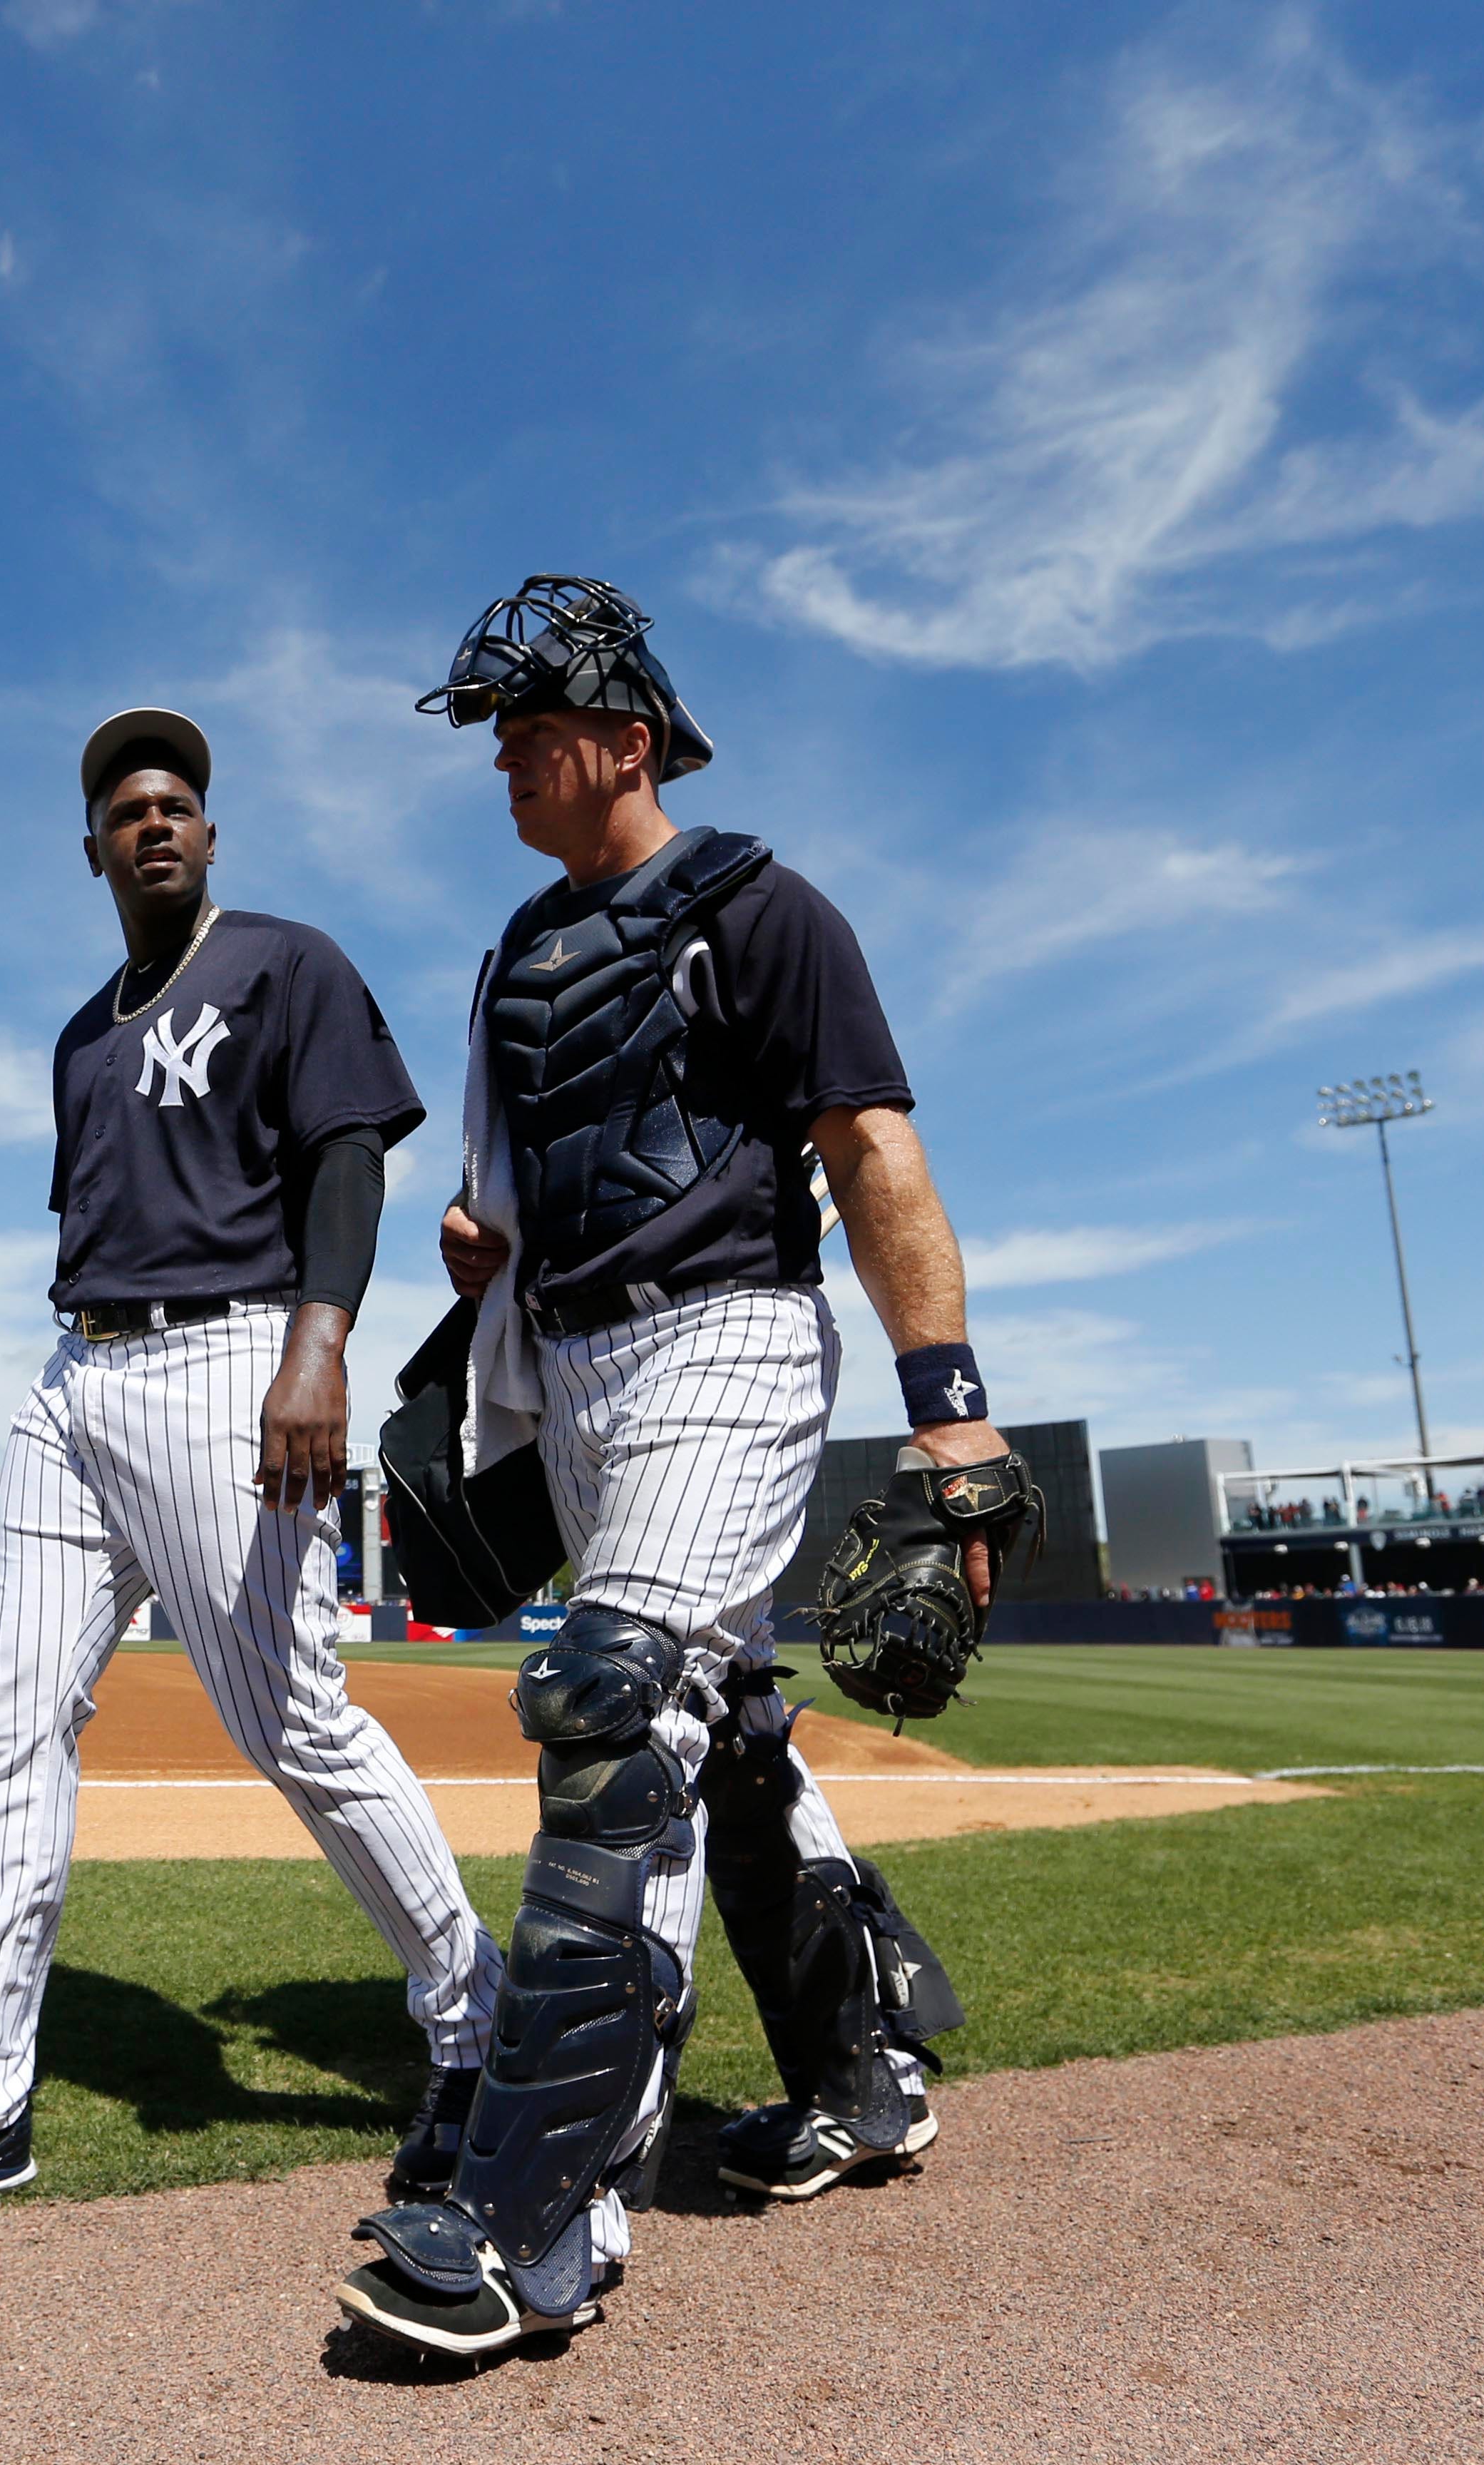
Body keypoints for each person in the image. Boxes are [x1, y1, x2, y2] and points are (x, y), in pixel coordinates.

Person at [338, 576, 1015, 2357]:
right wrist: (485, 1267)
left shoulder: (758, 910)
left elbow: (870, 1151)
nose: (501, 757)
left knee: (610, 1702)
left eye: (529, 727)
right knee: (722, 1723)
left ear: (624, 738)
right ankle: (858, 2064)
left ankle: (540, 2202)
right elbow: (520, 1183)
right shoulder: (511, 949)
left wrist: (948, 1407)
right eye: (491, 733)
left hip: (723, 1333)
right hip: (562, 1361)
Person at [0, 706, 500, 2218]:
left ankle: (475, 2014)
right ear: (91, 847)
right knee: (8, 1723)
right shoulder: (80, 1034)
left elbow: (349, 1153)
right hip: (76, 1376)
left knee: (289, 1716)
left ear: (208, 833)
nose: (154, 820)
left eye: (177, 802)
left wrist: (321, 1345)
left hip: (233, 1360)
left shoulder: (285, 961)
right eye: (127, 807)